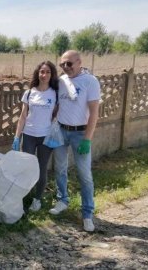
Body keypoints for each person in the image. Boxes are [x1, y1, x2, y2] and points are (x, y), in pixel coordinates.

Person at [49, 50, 101, 232]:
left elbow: (94, 112)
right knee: (60, 168)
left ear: (79, 62)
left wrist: (88, 138)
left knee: (84, 174)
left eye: (69, 64)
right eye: (62, 64)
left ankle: (87, 213)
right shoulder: (61, 81)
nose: (65, 67)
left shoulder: (90, 81)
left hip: (80, 134)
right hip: (62, 131)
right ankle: (62, 200)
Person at [13, 61, 59, 212]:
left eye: (47, 72)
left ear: (51, 75)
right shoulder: (30, 93)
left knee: (41, 168)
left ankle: (37, 200)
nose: (44, 75)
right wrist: (16, 137)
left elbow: (57, 116)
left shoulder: (55, 93)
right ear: (38, 73)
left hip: (46, 137)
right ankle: (23, 197)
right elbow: (22, 116)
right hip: (29, 135)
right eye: (42, 72)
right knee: (27, 168)